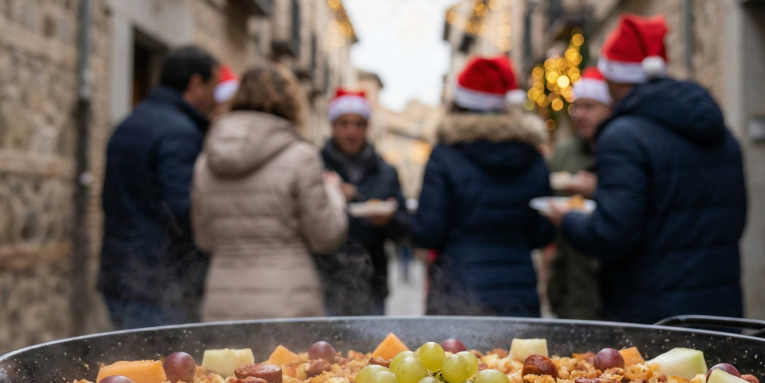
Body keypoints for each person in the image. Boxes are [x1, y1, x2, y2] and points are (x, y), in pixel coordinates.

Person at [544, 14, 747, 324]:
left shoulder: (621, 136)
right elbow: (721, 214)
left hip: (655, 316)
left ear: (614, 78)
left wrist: (568, 219)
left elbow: (611, 236)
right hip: (722, 310)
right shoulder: (721, 133)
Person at [191, 64, 348, 321]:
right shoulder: (302, 156)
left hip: (223, 302)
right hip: (288, 302)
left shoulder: (206, 161)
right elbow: (326, 236)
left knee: (229, 363)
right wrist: (334, 193)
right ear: (290, 103)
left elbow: (204, 239)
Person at [411, 56, 556, 317]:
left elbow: (428, 232)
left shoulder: (445, 154)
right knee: (515, 358)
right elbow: (542, 235)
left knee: (456, 358)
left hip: (458, 292)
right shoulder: (533, 155)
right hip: (518, 292)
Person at [98, 46, 220, 329]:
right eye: (214, 87)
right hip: (157, 285)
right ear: (196, 84)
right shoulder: (179, 132)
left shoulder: (129, 122)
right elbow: (182, 209)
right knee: (163, 370)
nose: (216, 99)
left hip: (121, 276)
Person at [318, 89, 409, 316]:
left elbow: (407, 228)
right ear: (333, 125)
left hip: (372, 284)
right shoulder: (314, 167)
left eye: (359, 124)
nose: (352, 131)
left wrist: (388, 221)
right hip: (325, 283)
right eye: (344, 123)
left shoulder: (386, 171)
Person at [546, 67, 611, 320]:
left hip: (609, 277)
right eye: (577, 107)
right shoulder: (564, 152)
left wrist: (597, 189)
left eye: (590, 106)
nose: (580, 114)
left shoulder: (620, 146)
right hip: (570, 276)